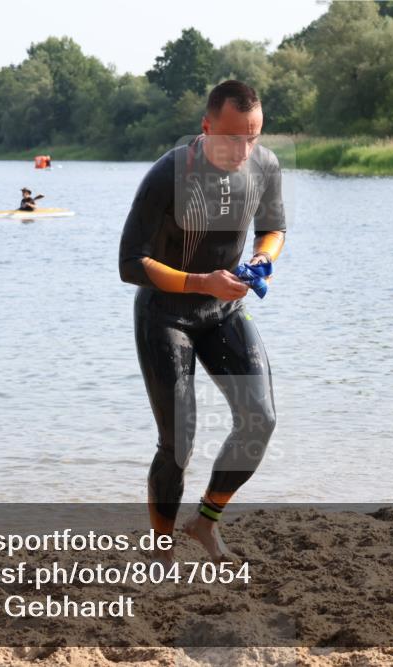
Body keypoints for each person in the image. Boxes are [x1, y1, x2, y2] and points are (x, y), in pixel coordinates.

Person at [118, 80, 286, 565]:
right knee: (179, 442)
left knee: (261, 418)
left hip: (225, 311)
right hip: (165, 315)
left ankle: (205, 524)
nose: (244, 149)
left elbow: (274, 227)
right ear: (206, 127)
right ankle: (160, 548)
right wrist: (199, 283)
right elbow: (131, 264)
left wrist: (262, 258)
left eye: (253, 137)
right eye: (233, 138)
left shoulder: (264, 166)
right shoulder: (167, 174)